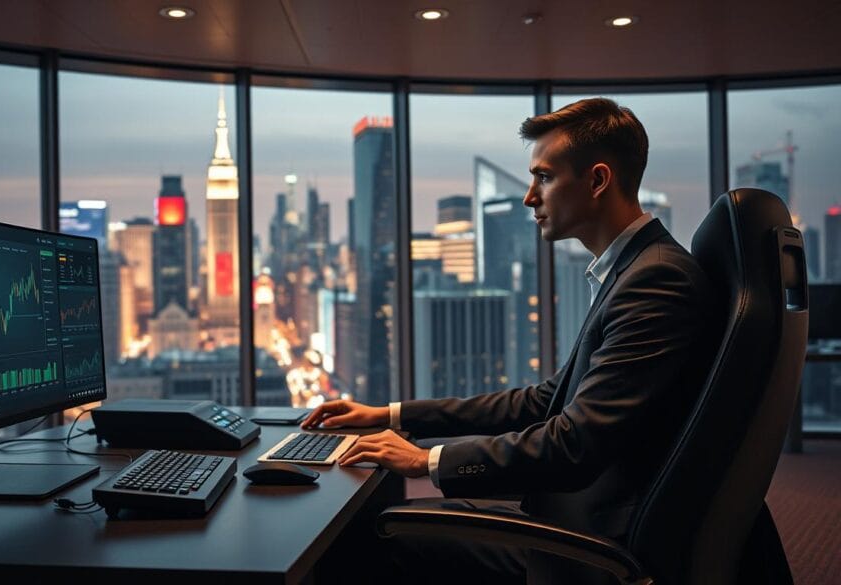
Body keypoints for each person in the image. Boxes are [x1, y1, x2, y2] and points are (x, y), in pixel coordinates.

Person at [301, 98, 719, 584]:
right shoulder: (633, 272)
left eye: (543, 177)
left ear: (598, 180)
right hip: (579, 518)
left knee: (365, 540)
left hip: (589, 547)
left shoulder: (656, 282)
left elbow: (575, 446)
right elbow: (547, 402)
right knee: (395, 524)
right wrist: (393, 414)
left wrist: (423, 460)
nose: (529, 196)